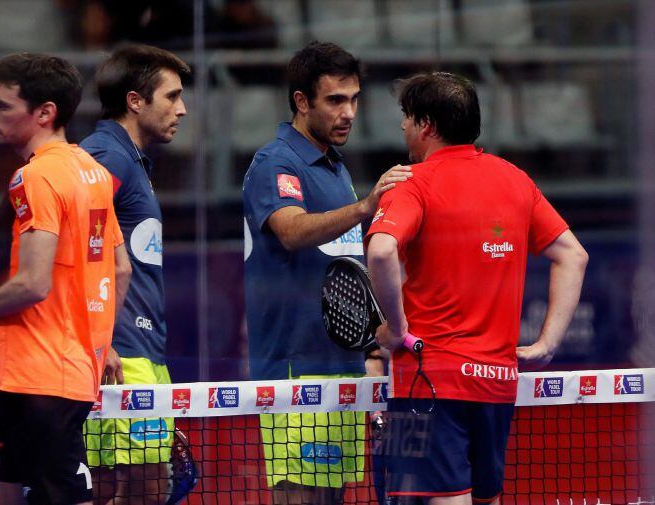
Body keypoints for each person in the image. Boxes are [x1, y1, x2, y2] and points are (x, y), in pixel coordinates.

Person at [365, 72, 588, 504]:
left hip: (425, 382)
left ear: (426, 125)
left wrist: (396, 327)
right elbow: (573, 255)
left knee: (424, 499)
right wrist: (546, 343)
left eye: (407, 117)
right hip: (497, 383)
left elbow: (381, 251)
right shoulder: (515, 179)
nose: (402, 127)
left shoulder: (410, 182)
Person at [242, 41, 411, 505]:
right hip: (296, 370)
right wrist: (364, 207)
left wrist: (374, 339)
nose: (349, 112)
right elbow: (292, 231)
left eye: (354, 99)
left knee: (330, 499)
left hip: (342, 368)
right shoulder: (275, 162)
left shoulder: (335, 166)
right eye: (336, 100)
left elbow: (343, 269)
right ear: (302, 102)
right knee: (300, 498)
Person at [0, 53, 131, 505]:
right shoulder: (93, 172)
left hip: (37, 376)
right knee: (17, 492)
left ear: (44, 113)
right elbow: (120, 268)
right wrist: (102, 341)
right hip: (69, 371)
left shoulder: (33, 177)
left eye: (0, 105)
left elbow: (34, 283)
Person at [79, 44, 190, 505]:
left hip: (130, 348)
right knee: (144, 490)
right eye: (172, 96)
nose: (181, 109)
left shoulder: (131, 159)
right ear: (135, 101)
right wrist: (100, 338)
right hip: (122, 354)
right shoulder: (107, 156)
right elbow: (76, 240)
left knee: (110, 488)